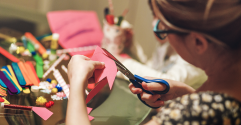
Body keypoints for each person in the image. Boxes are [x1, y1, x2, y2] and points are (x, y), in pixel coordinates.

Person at [66, 0, 241, 124]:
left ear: (198, 43)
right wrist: (188, 94)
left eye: (163, 29)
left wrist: (77, 82)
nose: (160, 34)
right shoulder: (225, 96)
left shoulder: (190, 113)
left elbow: (199, 113)